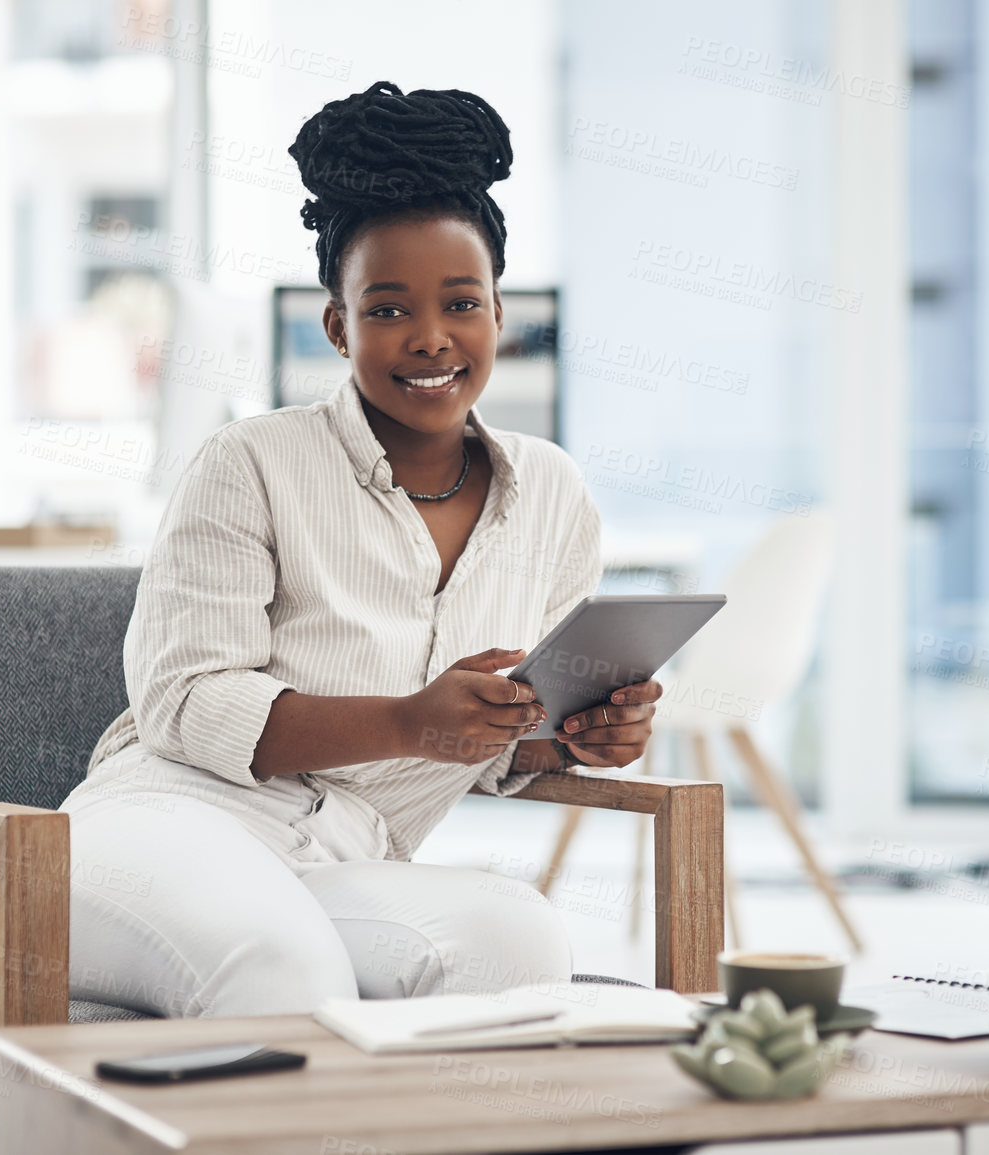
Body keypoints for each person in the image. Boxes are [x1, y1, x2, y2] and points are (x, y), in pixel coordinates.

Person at [58, 80, 662, 1019]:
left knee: (519, 942)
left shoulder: (551, 493)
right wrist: (408, 721)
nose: (430, 338)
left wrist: (581, 737)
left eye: (461, 303)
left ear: (498, 314)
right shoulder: (250, 461)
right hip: (162, 824)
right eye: (387, 310)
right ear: (337, 325)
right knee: (276, 968)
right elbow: (183, 703)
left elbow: (508, 749)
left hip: (345, 857)